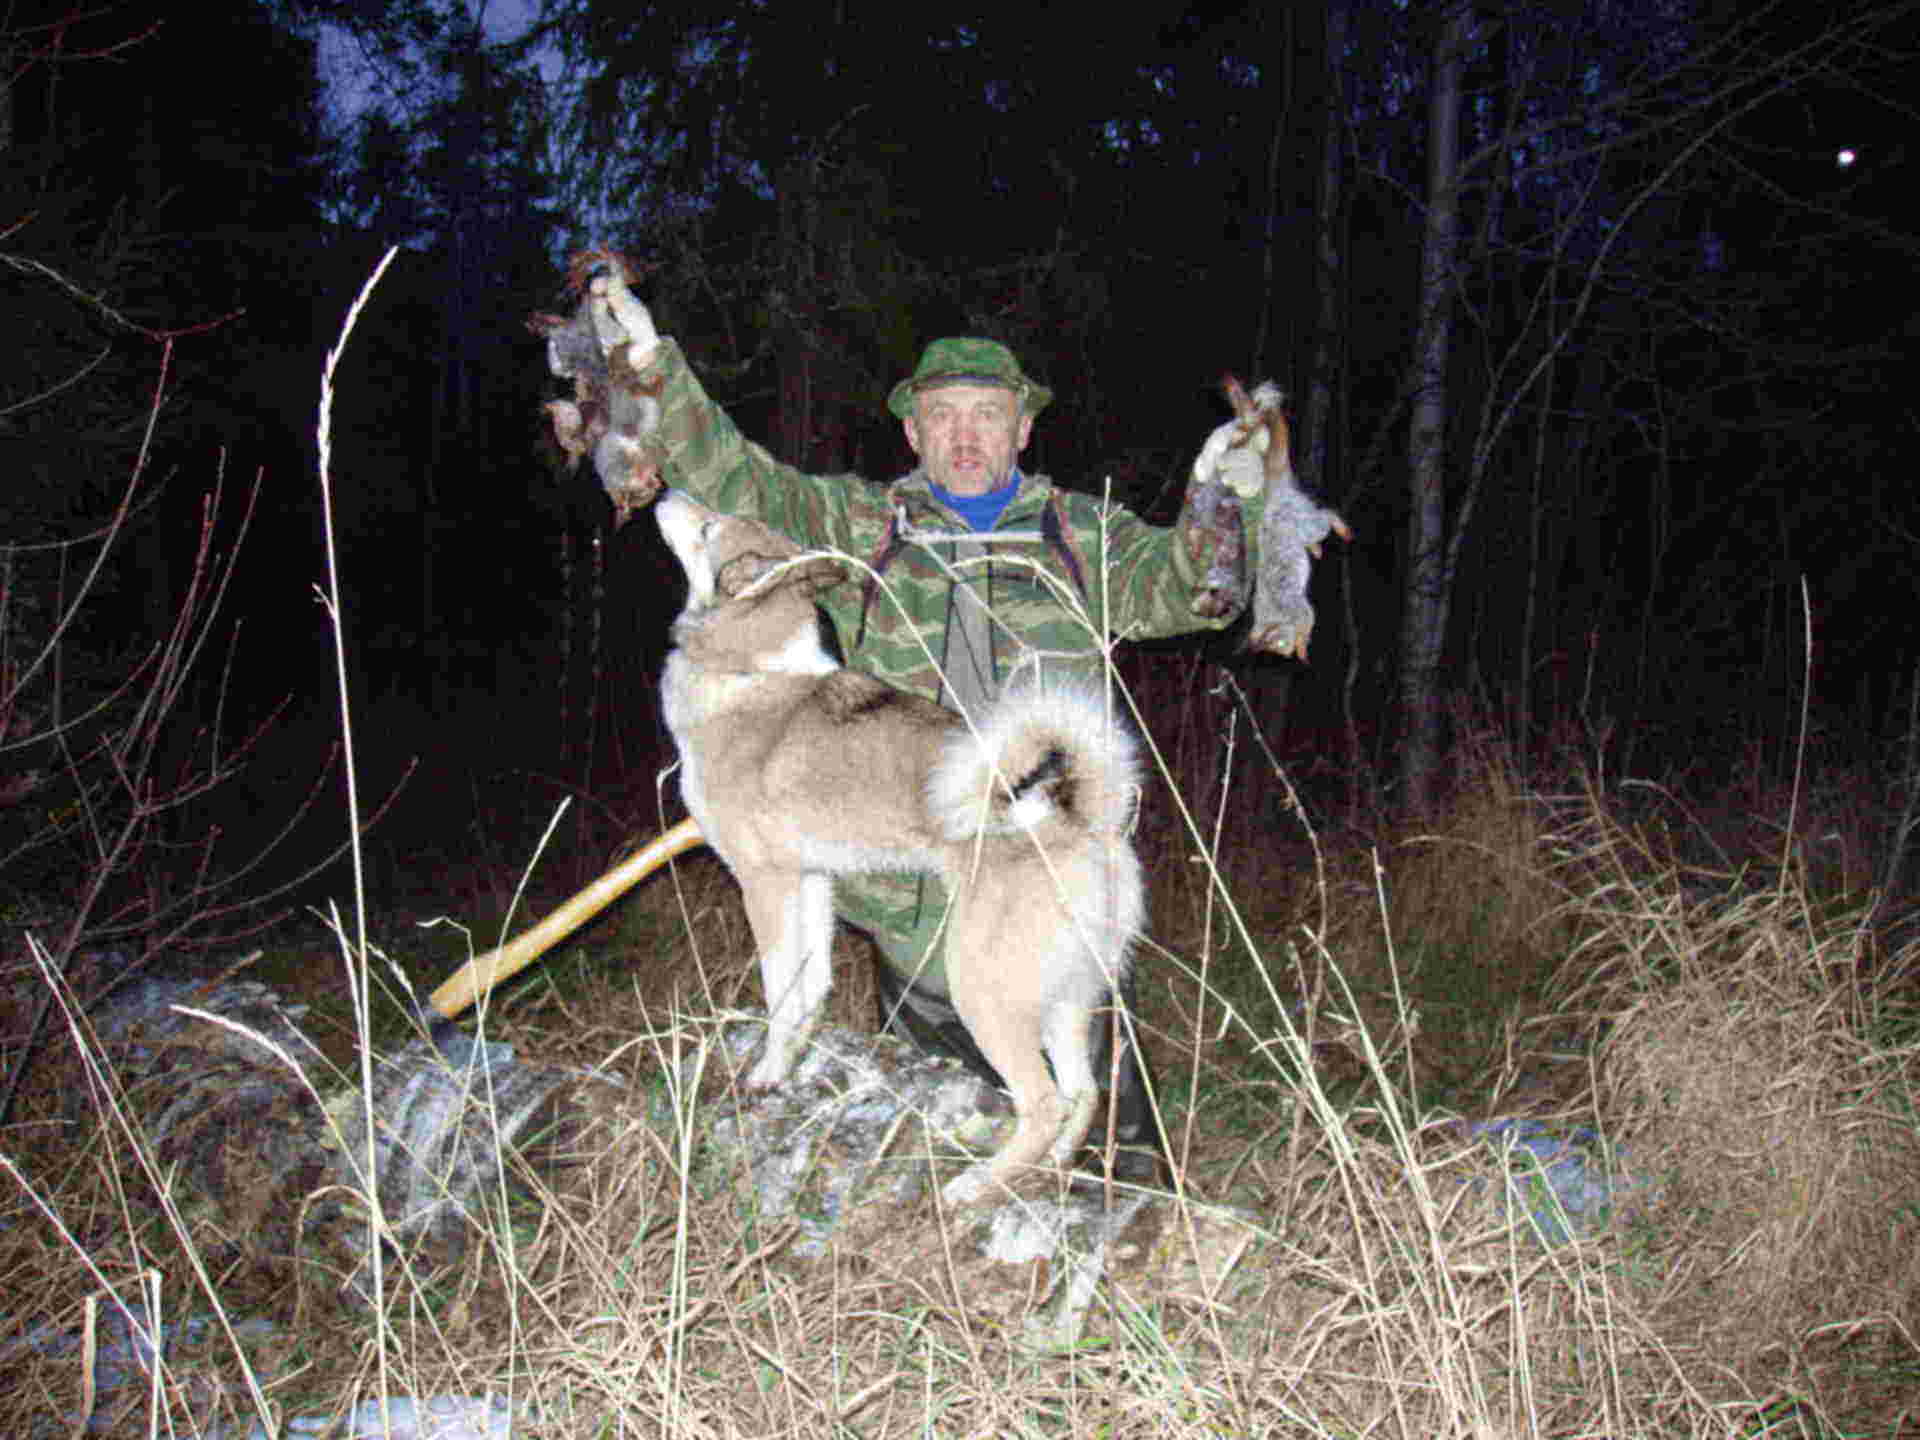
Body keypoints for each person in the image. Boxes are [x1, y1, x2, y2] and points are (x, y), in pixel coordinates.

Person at [561, 279, 1274, 1185]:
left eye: (988, 415)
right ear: (914, 433)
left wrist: (1226, 508)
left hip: (1042, 880)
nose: (967, 436)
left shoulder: (1081, 534)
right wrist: (653, 370)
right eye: (945, 417)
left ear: (1023, 430)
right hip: (913, 924)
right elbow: (738, 484)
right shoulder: (864, 527)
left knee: (1110, 1187)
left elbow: (1195, 594)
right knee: (939, 1192)